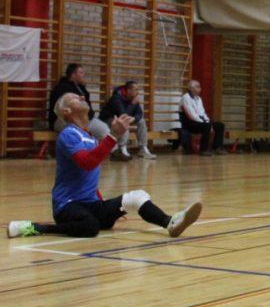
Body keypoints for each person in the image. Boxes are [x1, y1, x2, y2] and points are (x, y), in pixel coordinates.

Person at [7, 92, 202, 239]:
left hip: (91, 204)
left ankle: (170, 222)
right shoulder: (68, 134)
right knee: (91, 226)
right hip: (68, 206)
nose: (81, 96)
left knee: (137, 197)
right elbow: (87, 163)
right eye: (74, 98)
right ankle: (38, 227)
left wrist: (105, 205)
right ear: (67, 111)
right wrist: (113, 135)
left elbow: (89, 174)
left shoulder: (89, 137)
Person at [46, 63, 109, 140]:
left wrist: (88, 116)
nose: (84, 75)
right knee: (78, 132)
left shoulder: (81, 88)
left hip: (85, 119)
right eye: (81, 72)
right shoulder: (61, 88)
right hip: (64, 121)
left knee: (104, 129)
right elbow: (62, 109)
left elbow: (87, 108)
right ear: (73, 75)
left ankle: (108, 148)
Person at [99, 80, 156, 161]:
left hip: (121, 119)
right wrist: (133, 104)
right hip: (107, 120)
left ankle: (143, 149)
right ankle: (122, 148)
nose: (138, 92)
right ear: (129, 90)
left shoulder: (133, 98)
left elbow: (139, 113)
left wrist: (134, 118)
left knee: (141, 121)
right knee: (124, 121)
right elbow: (122, 114)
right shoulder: (116, 98)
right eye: (136, 89)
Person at [179, 80, 226, 156]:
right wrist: (207, 124)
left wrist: (208, 122)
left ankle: (217, 147)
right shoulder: (185, 98)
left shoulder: (198, 99)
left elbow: (202, 113)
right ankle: (203, 150)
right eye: (198, 87)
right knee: (207, 126)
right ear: (191, 88)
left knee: (220, 125)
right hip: (189, 124)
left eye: (199, 87)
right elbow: (192, 115)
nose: (200, 88)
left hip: (199, 123)